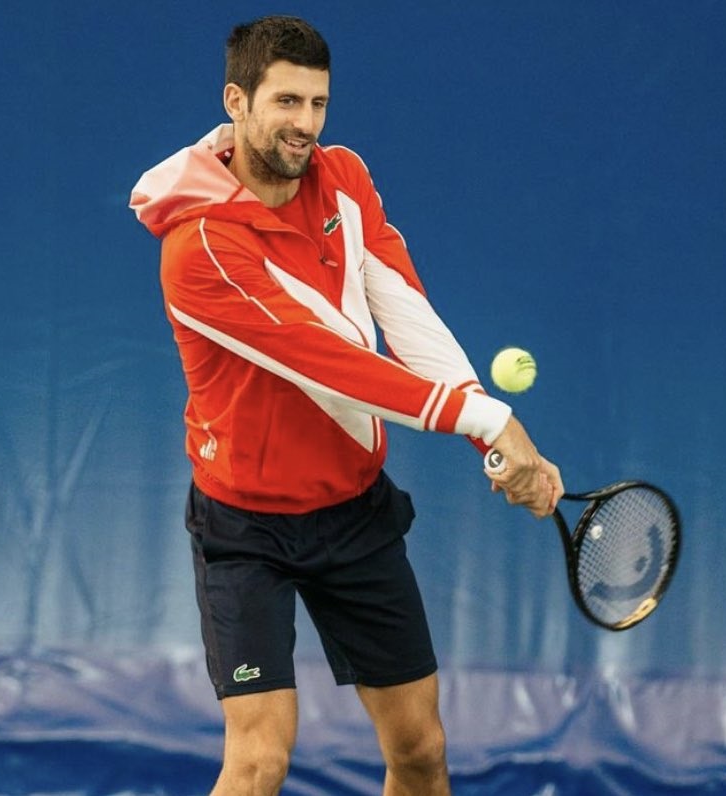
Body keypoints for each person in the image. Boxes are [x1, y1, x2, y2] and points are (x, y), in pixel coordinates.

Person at [130, 15, 563, 796]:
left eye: (318, 104)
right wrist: (490, 420)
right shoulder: (200, 249)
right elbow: (330, 368)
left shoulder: (343, 178)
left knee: (422, 750)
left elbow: (403, 309)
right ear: (238, 100)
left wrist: (486, 435)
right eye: (286, 101)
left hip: (353, 512)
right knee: (259, 761)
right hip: (246, 527)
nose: (305, 124)